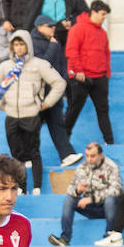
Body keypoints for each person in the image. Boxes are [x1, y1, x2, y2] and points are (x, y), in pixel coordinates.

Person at [0, 29, 64, 194]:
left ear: (28, 45)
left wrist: (46, 103)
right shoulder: (5, 66)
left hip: (30, 115)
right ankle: (21, 187)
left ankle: (37, 186)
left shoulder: (39, 65)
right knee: (16, 155)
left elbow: (59, 83)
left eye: (21, 44)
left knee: (34, 152)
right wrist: (2, 105)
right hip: (11, 116)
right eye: (15, 44)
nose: (18, 48)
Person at [48, 142, 124, 246]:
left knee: (110, 199)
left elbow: (116, 189)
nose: (89, 159)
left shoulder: (111, 166)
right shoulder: (82, 167)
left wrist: (92, 199)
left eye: (93, 156)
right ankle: (64, 238)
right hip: (91, 208)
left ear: (100, 155)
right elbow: (70, 189)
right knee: (69, 199)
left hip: (111, 208)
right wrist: (78, 190)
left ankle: (110, 236)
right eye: (87, 156)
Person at [63, 1, 114, 143]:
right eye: (103, 14)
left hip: (100, 78)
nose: (104, 18)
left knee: (103, 111)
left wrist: (106, 73)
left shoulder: (102, 33)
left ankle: (109, 141)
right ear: (94, 12)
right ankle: (63, 141)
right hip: (81, 78)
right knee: (73, 110)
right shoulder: (77, 29)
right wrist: (77, 71)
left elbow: (106, 53)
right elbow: (71, 51)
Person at [32, 16, 79, 163]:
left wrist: (64, 80)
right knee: (32, 128)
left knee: (58, 124)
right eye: (49, 26)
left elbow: (61, 64)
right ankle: (27, 157)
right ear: (40, 27)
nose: (53, 28)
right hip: (39, 94)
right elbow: (42, 65)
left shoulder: (53, 42)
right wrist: (53, 47)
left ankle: (66, 154)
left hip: (54, 92)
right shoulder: (32, 43)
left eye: (54, 26)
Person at [22, 0, 86, 46]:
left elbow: (84, 13)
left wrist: (72, 21)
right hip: (44, 36)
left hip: (66, 35)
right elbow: (30, 17)